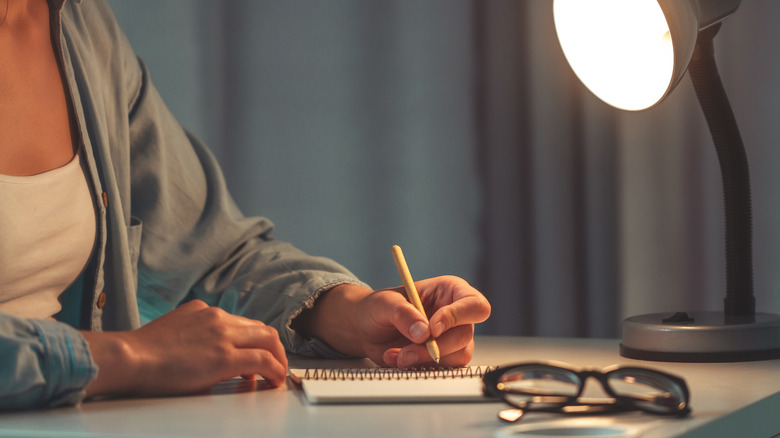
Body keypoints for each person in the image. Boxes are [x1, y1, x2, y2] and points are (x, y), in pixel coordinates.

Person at [0, 0, 491, 410]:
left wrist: (353, 315)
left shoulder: (80, 26)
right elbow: (135, 350)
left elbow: (209, 250)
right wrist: (128, 355)